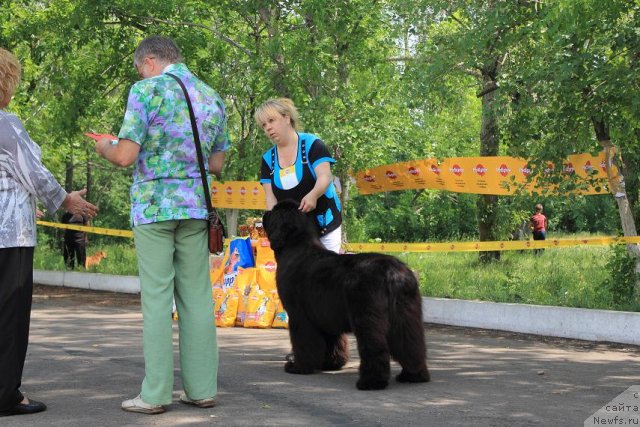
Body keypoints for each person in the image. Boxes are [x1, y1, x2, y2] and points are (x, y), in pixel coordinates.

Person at [95, 35, 230, 415]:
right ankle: (202, 389)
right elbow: (216, 164)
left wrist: (104, 145)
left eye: (140, 67)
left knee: (157, 299)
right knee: (197, 297)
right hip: (196, 208)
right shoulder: (210, 95)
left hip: (155, 207)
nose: (140, 72)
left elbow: (125, 156)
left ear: (150, 61)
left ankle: (154, 394)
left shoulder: (146, 90)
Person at [0, 47, 99, 418]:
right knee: (8, 314)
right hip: (8, 234)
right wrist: (65, 199)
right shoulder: (5, 123)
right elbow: (34, 173)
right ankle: (6, 395)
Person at [256, 98, 342, 253]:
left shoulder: (313, 144)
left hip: (325, 225)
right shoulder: (267, 159)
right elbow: (270, 197)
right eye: (264, 125)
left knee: (326, 275)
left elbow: (325, 177)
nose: (268, 128)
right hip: (294, 233)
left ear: (287, 117)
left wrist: (313, 195)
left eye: (271, 121)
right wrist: (275, 225)